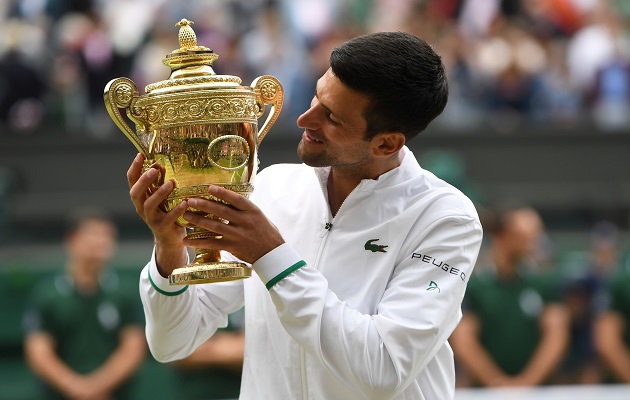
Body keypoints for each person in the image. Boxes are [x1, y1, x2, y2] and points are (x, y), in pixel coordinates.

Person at [128, 31, 483, 399]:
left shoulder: (446, 219)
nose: (304, 119)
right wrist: (169, 250)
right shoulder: (271, 187)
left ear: (386, 143)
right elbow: (172, 343)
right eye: (316, 96)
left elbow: (384, 369)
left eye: (331, 117)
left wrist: (272, 256)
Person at [23, 209, 146, 400]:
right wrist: (74, 386)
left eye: (108, 236)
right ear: (71, 240)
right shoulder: (47, 294)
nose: (101, 242)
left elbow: (133, 346)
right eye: (93, 234)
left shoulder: (125, 292)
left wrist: (98, 386)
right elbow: (38, 350)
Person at [450, 206, 570, 387]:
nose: (533, 242)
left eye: (536, 235)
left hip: (538, 393)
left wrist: (526, 383)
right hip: (486, 394)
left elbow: (556, 338)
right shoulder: (473, 284)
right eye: (525, 235)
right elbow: (464, 341)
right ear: (501, 235)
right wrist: (497, 383)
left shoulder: (544, 283)